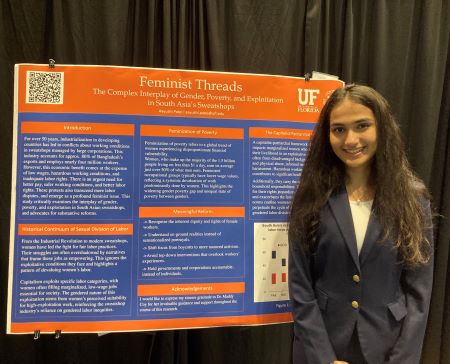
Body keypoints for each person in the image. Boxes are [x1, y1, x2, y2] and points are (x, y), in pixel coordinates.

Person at [288, 84, 434, 364]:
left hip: (387, 347)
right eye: (339, 129)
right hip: (322, 346)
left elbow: (419, 294)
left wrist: (402, 359)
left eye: (362, 126)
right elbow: (300, 287)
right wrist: (323, 358)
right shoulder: (311, 197)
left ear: (382, 128)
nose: (350, 140)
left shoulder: (413, 199)